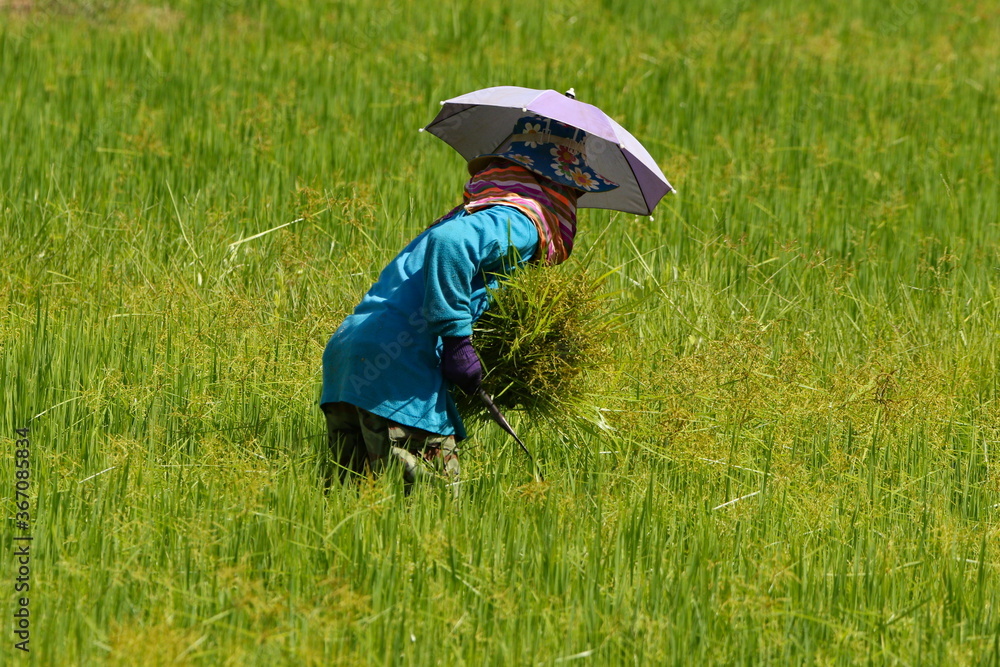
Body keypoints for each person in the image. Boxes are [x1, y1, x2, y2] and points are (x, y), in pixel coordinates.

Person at [319, 114, 618, 493]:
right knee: (429, 513)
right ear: (556, 186)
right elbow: (452, 247)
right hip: (399, 370)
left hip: (349, 358)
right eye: (575, 190)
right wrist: (458, 343)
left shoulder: (474, 213)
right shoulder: (520, 218)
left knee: (353, 506)